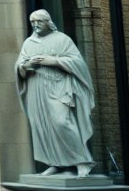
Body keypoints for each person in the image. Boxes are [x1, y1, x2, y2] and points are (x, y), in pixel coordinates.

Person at [15, 10, 95, 176]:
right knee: (42, 127)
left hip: (57, 86)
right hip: (36, 88)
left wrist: (54, 61)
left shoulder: (62, 39)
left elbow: (78, 63)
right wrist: (26, 66)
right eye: (33, 22)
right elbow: (19, 66)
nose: (36, 25)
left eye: (39, 21)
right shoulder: (29, 43)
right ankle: (55, 163)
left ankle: (82, 161)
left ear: (48, 22)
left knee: (62, 122)